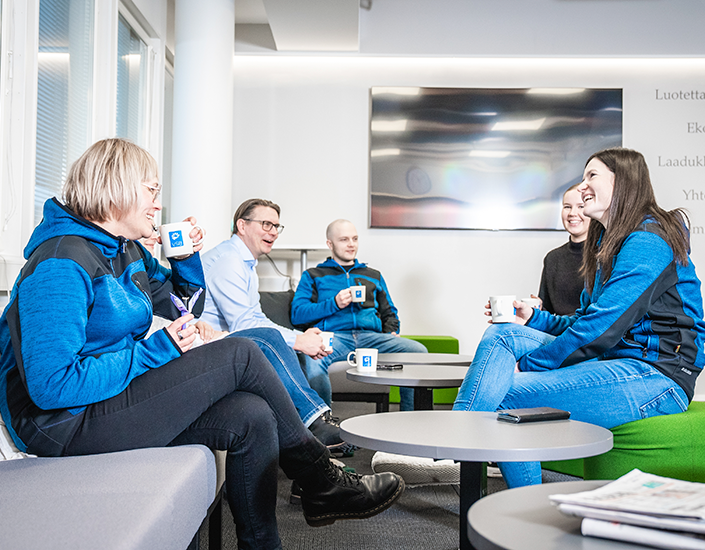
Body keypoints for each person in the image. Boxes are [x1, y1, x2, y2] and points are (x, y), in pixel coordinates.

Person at [0, 139, 404, 548]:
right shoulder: (59, 263)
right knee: (243, 351)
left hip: (107, 397)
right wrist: (155, 352)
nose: (158, 204)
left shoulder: (126, 251)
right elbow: (52, 386)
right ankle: (320, 478)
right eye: (152, 190)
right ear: (116, 188)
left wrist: (185, 258)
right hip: (61, 423)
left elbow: (184, 306)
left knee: (252, 415)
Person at [452, 147, 705, 489]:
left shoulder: (649, 240)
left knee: (506, 396)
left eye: (592, 176)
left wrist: (532, 365)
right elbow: (583, 320)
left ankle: (462, 443)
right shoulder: (606, 240)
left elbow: (600, 329)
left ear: (624, 182)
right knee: (503, 333)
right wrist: (534, 318)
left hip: (657, 377)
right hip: (617, 359)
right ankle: (458, 436)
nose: (582, 185)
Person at [199, 199, 348, 449]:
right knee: (276, 343)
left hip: (229, 342)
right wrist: (300, 341)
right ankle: (314, 421)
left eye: (277, 226)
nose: (273, 232)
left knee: (281, 343)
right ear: (242, 225)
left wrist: (298, 337)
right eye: (266, 224)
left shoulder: (245, 263)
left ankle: (314, 425)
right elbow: (245, 324)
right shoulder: (229, 260)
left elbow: (257, 319)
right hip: (207, 346)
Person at [291, 219, 427, 409]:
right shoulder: (313, 275)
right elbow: (297, 314)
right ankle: (321, 423)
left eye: (355, 238)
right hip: (334, 338)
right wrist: (334, 303)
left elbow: (389, 311)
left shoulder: (373, 275)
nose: (351, 244)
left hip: (371, 338)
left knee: (418, 352)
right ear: (330, 244)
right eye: (344, 239)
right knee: (313, 362)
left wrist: (391, 331)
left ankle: (409, 417)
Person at [537, 183, 590, 315]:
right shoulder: (553, 258)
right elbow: (545, 311)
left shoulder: (606, 256)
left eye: (581, 207)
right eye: (567, 207)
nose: (572, 213)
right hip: (557, 332)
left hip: (587, 332)